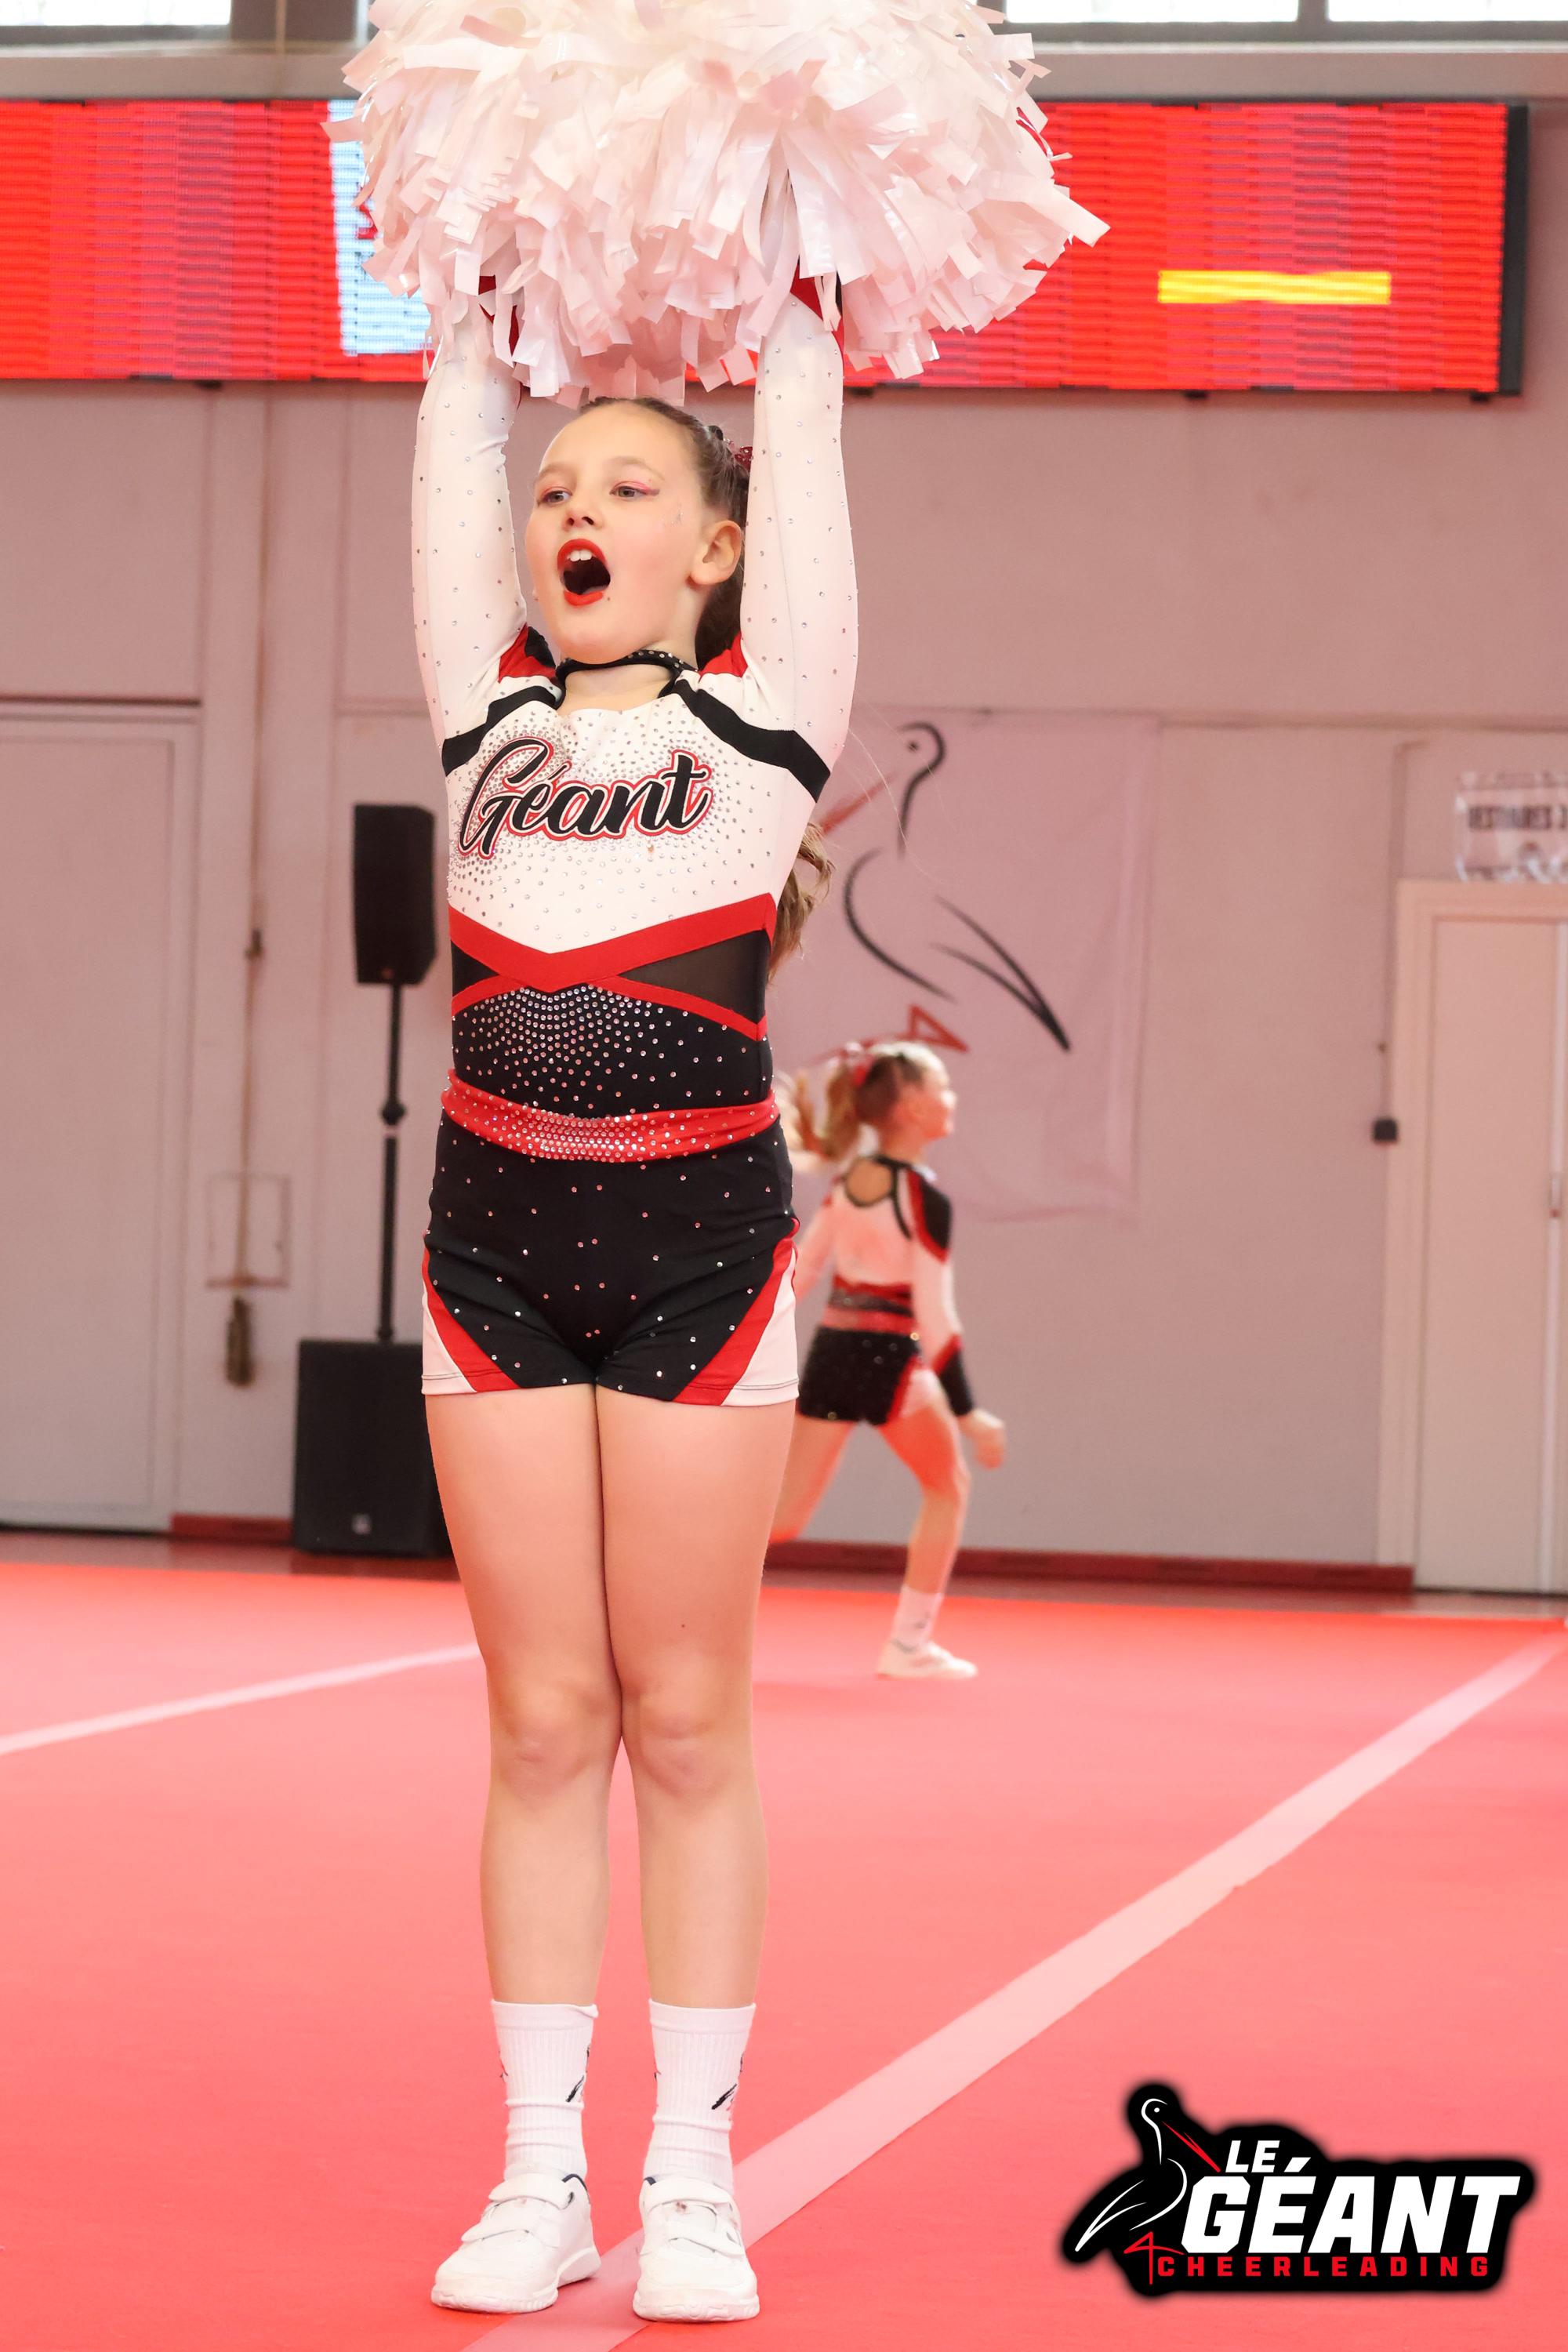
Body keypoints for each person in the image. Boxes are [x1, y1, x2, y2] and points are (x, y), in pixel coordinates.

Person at [412, 282, 854, 2322]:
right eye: (554, 488)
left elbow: (806, 427)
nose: (572, 510)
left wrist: (798, 270)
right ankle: (537, 2174)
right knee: (538, 1722)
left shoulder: (766, 725)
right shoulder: (480, 721)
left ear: (717, 545)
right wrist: (471, 304)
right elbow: (455, 447)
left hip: (703, 1262)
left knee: (684, 1719)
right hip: (491, 1258)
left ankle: (693, 2177)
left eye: (626, 486)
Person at [771, 1044, 1006, 1679]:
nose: (952, 1098)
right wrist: (969, 1412)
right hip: (889, 1360)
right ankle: (908, 1644)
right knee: (948, 1487)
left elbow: (800, 1273)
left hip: (831, 1354)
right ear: (910, 1107)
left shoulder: (850, 1184)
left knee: (781, 1520)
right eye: (942, 1085)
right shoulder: (923, 1199)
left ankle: (660, 1584)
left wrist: (745, 1341)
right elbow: (936, 1315)